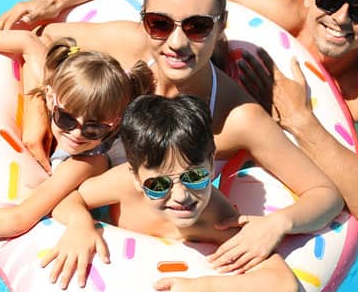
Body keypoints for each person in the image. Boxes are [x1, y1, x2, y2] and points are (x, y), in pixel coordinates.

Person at [0, 0, 358, 235]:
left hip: (254, 140)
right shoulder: (275, 16)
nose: (339, 17)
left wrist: (301, 120)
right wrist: (57, 1)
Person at [22, 0, 342, 285]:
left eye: (198, 26)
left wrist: (277, 224)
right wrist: (37, 124)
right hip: (88, 192)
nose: (176, 43)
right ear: (144, 21)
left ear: (222, 25)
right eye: (160, 24)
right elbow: (43, 38)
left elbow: (325, 194)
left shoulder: (237, 118)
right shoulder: (129, 48)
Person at [0, 35, 154, 238]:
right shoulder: (62, 94)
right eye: (66, 119)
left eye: (93, 129)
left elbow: (20, 218)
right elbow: (29, 43)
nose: (76, 134)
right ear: (50, 97)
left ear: (115, 123)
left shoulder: (88, 162)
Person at [50, 94, 301, 292]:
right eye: (159, 185)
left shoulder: (217, 219)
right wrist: (80, 223)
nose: (181, 196)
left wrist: (204, 287)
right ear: (137, 177)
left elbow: (282, 282)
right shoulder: (124, 184)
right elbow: (69, 199)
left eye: (194, 177)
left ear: (211, 164)